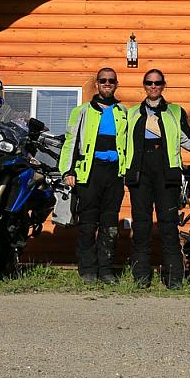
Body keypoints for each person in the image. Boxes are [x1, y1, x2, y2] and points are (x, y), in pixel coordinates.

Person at [123, 69, 190, 288]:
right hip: (139, 175)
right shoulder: (132, 113)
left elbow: (188, 141)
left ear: (163, 85)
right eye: (149, 83)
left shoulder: (175, 111)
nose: (153, 86)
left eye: (157, 83)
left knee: (168, 226)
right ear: (144, 85)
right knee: (142, 225)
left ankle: (174, 279)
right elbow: (120, 143)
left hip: (167, 175)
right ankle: (141, 278)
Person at [59, 67, 130, 284]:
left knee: (109, 224)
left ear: (116, 84)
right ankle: (87, 269)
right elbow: (70, 142)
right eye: (103, 80)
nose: (107, 83)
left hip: (114, 174)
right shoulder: (81, 111)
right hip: (89, 173)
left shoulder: (123, 112)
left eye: (111, 80)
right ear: (97, 84)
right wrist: (67, 171)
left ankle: (106, 270)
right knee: (88, 223)